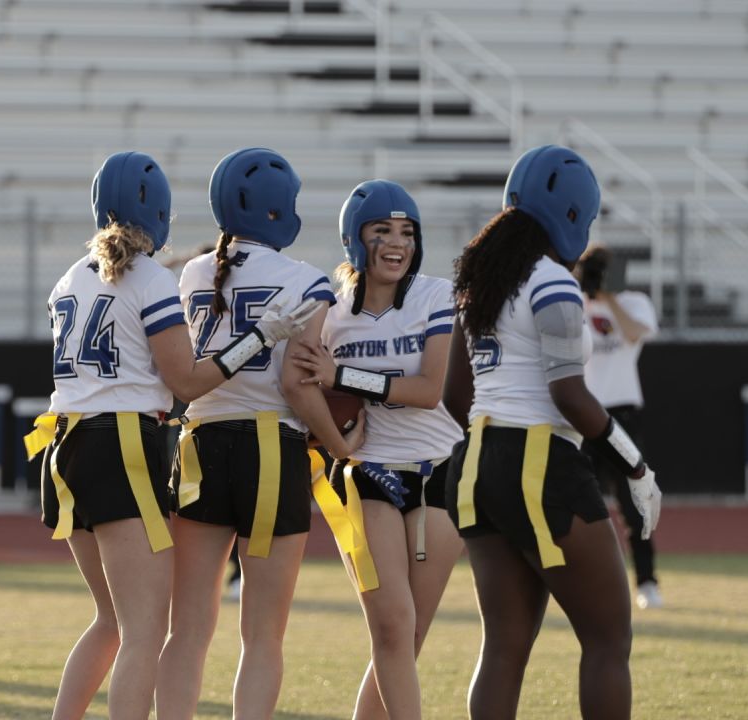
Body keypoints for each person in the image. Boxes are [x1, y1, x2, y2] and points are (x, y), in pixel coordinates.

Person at [26, 151, 321, 720]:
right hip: (121, 444)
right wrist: (258, 337)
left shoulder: (71, 277)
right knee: (143, 629)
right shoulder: (150, 278)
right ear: (156, 211)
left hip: (65, 445)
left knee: (112, 620)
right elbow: (186, 379)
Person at [441, 145, 663, 719]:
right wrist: (635, 466)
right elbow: (570, 394)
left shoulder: (481, 282)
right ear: (572, 214)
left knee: (504, 648)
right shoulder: (552, 284)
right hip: (538, 459)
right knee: (608, 640)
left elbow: (454, 397)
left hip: (476, 461)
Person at [155, 147, 365, 719]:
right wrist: (341, 445)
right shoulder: (306, 281)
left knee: (187, 631)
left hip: (199, 445)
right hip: (272, 449)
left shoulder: (196, 272)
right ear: (280, 211)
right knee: (263, 636)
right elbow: (301, 387)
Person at [288, 179, 466, 720]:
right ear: (353, 239)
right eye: (382, 230)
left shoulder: (436, 295)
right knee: (390, 627)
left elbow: (429, 390)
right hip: (370, 474)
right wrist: (336, 440)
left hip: (440, 471)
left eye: (407, 231)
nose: (398, 242)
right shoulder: (330, 313)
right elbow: (297, 385)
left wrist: (343, 374)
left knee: (406, 639)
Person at [575, 245, 664, 610]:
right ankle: (583, 584)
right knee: (579, 502)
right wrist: (585, 293)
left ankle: (646, 582)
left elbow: (633, 333)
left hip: (622, 414)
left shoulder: (634, 302)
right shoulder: (573, 303)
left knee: (633, 504)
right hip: (582, 411)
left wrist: (609, 298)